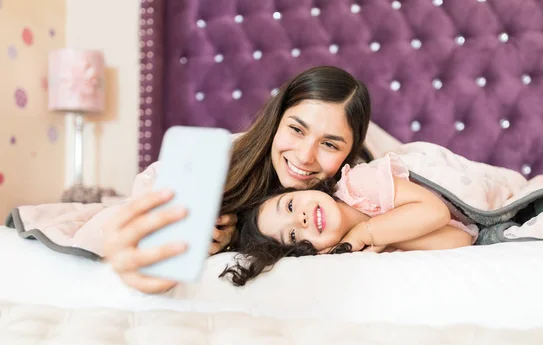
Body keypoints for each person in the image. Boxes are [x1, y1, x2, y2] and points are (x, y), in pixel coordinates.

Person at [102, 65, 378, 293]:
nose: (305, 156)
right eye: (296, 129)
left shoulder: (362, 180)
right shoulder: (222, 168)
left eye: (329, 145)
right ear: (276, 120)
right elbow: (134, 222)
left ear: (348, 154)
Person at [219, 153, 478, 286]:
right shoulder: (366, 251)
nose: (302, 219)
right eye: (294, 236)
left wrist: (365, 234)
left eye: (289, 205)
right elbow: (462, 238)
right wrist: (383, 242)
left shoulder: (358, 184)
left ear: (301, 189)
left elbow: (437, 212)